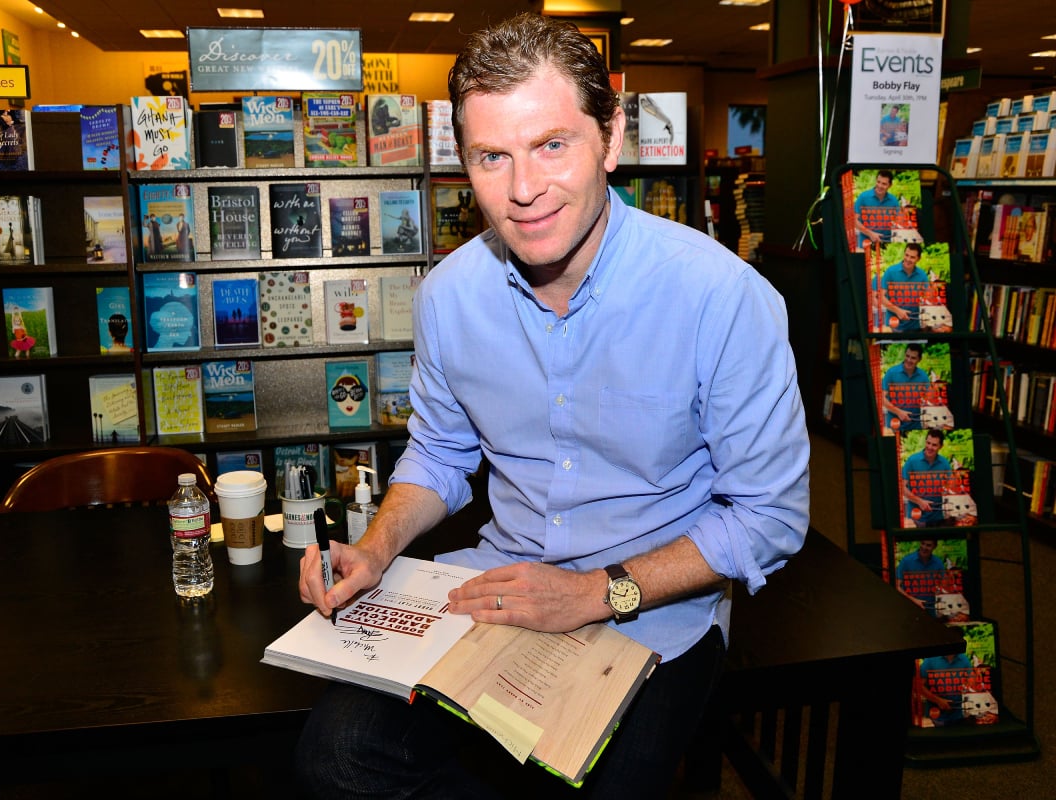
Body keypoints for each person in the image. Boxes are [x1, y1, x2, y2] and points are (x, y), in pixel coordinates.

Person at [294, 13, 810, 799]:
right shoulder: (449, 295)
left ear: (612, 131)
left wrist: (598, 591)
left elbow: (769, 517)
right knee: (335, 756)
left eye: (552, 145)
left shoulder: (722, 299)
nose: (523, 190)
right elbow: (440, 453)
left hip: (651, 617)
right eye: (491, 157)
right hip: (495, 590)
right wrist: (377, 544)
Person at [901, 428, 952, 527]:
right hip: (917, 517)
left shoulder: (944, 463)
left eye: (934, 445)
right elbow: (902, 488)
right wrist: (920, 502)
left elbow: (951, 487)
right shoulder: (912, 461)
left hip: (939, 516)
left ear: (940, 446)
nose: (930, 447)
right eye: (928, 443)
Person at [875, 242, 928, 332]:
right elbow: (881, 296)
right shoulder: (890, 271)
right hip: (893, 325)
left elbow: (928, 298)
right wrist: (897, 311)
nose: (908, 259)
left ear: (918, 259)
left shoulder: (922, 275)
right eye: (906, 255)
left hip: (915, 326)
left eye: (912, 257)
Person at [881, 341, 930, 432]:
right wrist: (899, 412)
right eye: (907, 356)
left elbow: (930, 399)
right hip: (894, 425)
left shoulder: (923, 376)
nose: (909, 360)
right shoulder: (891, 373)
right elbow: (881, 398)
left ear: (919, 359)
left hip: (915, 425)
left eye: (913, 358)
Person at [852, 169, 902, 250]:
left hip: (885, 243)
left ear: (890, 185)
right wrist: (870, 234)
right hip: (865, 243)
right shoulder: (863, 197)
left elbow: (899, 220)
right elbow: (854, 221)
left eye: (884, 184)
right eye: (878, 182)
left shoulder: (893, 200)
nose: (880, 186)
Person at [895, 537, 945, 614]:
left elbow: (944, 587)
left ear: (934, 547)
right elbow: (897, 587)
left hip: (931, 610)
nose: (924, 547)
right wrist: (914, 601)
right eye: (923, 543)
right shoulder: (906, 561)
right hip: (910, 608)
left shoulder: (938, 563)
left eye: (928, 545)